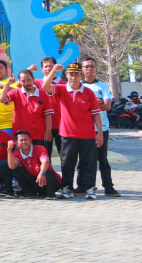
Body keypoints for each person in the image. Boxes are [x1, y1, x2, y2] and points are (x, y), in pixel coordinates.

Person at [41, 61, 103, 198]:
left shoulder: (88, 92)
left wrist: (99, 133)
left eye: (76, 74)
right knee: (67, 162)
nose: (73, 77)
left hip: (87, 134)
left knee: (88, 162)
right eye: (71, 74)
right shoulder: (62, 89)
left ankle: (89, 188)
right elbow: (45, 87)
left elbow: (96, 114)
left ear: (81, 76)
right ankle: (67, 188)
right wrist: (53, 71)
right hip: (67, 134)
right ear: (67, 76)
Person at [82, 57, 118, 196]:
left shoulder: (103, 86)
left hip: (101, 128)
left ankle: (108, 187)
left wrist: (90, 106)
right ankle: (83, 186)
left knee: (102, 159)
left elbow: (107, 106)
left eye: (92, 66)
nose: (89, 69)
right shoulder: (79, 86)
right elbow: (79, 108)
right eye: (86, 66)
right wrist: (97, 103)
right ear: (82, 69)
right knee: (85, 160)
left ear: (96, 69)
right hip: (84, 129)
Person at [6, 131, 63, 198]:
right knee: (15, 169)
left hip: (50, 181)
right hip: (36, 182)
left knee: (47, 171)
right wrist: (9, 150)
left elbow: (45, 161)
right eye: (21, 140)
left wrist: (42, 173)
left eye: (26, 139)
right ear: (16, 143)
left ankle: (50, 194)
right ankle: (28, 192)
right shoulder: (17, 153)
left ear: (30, 140)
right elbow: (12, 166)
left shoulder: (40, 148)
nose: (24, 142)